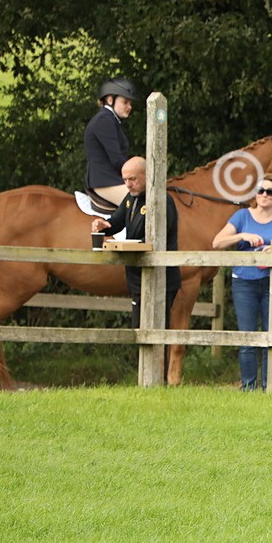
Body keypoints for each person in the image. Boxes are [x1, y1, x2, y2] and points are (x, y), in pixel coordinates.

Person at [212, 175, 272, 390]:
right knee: (248, 336)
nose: (264, 195)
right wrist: (242, 236)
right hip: (244, 282)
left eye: (270, 192)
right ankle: (248, 386)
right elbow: (217, 242)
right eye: (261, 190)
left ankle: (270, 385)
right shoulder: (242, 216)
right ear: (254, 194)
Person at [90, 156, 181, 370]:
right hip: (136, 277)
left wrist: (131, 244)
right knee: (139, 328)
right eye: (125, 179)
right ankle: (145, 379)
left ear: (147, 176)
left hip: (160, 277)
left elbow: (158, 240)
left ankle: (157, 379)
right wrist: (103, 225)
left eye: (133, 179)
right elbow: (116, 222)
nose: (128, 184)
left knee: (156, 330)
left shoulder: (161, 200)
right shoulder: (130, 198)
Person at [84, 78, 138, 211]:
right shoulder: (104, 120)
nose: (129, 107)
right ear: (110, 100)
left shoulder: (111, 119)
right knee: (144, 205)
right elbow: (117, 160)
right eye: (125, 102)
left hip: (111, 179)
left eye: (130, 103)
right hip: (105, 181)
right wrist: (140, 173)